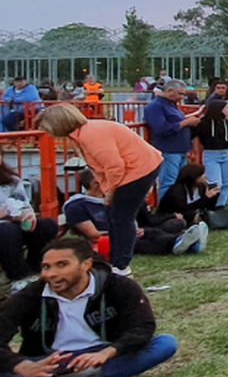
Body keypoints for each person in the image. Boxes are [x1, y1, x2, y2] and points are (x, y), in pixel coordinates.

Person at [0, 235, 178, 377]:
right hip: (48, 365)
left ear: (86, 265)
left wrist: (107, 353)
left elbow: (143, 327)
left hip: (101, 358)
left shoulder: (118, 286)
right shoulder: (29, 296)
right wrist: (21, 365)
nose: (51, 274)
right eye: (46, 267)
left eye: (62, 265)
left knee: (164, 344)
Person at [36, 104, 162, 277]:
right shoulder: (84, 133)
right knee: (114, 216)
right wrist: (108, 190)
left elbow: (115, 166)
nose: (44, 131)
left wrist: (110, 190)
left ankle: (121, 265)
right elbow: (101, 168)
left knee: (121, 218)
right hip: (135, 169)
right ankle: (116, 261)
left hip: (137, 170)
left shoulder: (90, 135)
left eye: (45, 126)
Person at [64, 169, 207, 257]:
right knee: (140, 244)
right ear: (95, 184)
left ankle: (180, 240)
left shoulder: (111, 198)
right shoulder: (77, 205)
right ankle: (182, 243)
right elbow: (92, 233)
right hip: (103, 241)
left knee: (151, 233)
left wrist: (132, 228)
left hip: (122, 232)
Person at [0, 160, 59, 292]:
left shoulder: (11, 181)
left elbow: (23, 203)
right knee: (7, 232)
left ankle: (38, 270)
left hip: (15, 222)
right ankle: (19, 277)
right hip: (4, 229)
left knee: (47, 225)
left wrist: (27, 214)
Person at [142, 79, 202, 196]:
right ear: (170, 91)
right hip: (167, 149)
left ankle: (178, 207)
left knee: (180, 182)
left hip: (179, 149)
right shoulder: (155, 107)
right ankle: (166, 210)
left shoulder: (172, 105)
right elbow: (161, 128)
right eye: (180, 94)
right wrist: (185, 123)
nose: (182, 97)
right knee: (168, 182)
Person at [194, 97, 228, 207]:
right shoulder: (204, 123)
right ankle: (211, 204)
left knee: (227, 182)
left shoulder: (227, 122)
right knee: (215, 182)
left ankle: (221, 205)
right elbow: (195, 135)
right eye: (226, 108)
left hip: (226, 152)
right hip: (211, 153)